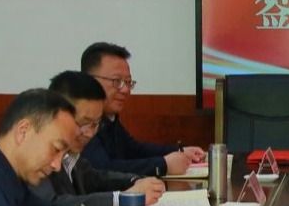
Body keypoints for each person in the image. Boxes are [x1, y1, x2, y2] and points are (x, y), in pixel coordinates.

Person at [36, 70, 166, 206]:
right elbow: (54, 205)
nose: (89, 133)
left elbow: (97, 178)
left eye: (95, 124)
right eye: (83, 123)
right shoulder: (38, 155)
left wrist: (137, 181)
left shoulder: (72, 156)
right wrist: (123, 199)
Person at [78, 42, 206, 176]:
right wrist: (163, 165)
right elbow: (102, 169)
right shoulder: (82, 119)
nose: (125, 90)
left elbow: (134, 150)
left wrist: (180, 151)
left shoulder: (109, 117)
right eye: (117, 81)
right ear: (90, 80)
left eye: (128, 82)